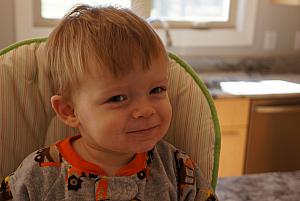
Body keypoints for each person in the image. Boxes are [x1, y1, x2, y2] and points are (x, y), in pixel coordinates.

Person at [0, 5, 218, 201]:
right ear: (69, 111)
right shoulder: (39, 174)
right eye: (118, 98)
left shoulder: (178, 170)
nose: (146, 110)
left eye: (157, 90)